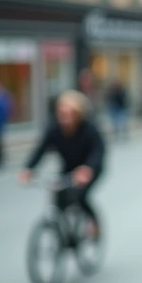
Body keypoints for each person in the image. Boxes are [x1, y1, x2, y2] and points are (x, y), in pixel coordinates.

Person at [19, 90, 106, 236]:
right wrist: (28, 168)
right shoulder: (54, 129)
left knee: (80, 196)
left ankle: (93, 223)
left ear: (77, 114)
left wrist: (88, 168)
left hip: (89, 168)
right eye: (62, 113)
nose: (65, 118)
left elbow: (98, 150)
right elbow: (41, 149)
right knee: (59, 196)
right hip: (69, 167)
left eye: (69, 114)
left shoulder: (88, 128)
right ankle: (64, 232)